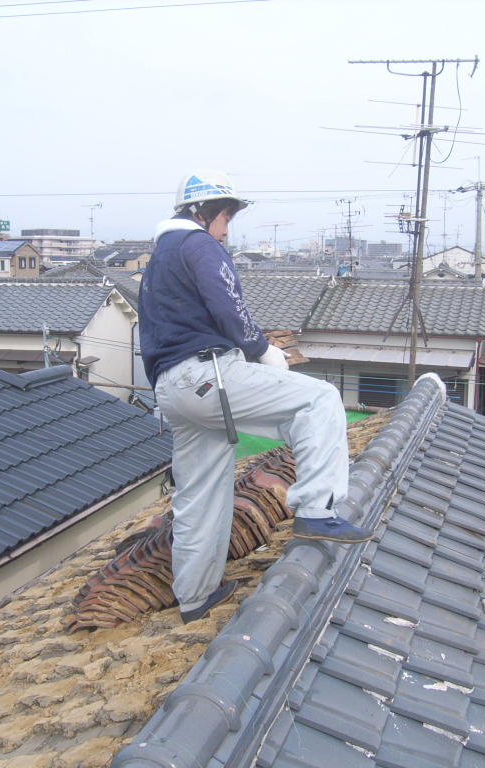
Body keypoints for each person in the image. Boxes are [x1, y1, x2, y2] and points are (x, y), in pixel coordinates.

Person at [138, 169, 371, 624]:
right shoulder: (199, 245)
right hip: (209, 376)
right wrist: (263, 351)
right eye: (226, 216)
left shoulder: (159, 258)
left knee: (200, 497)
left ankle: (195, 597)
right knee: (319, 400)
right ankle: (318, 511)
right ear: (203, 212)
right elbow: (229, 307)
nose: (227, 228)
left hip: (172, 390)